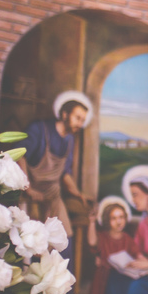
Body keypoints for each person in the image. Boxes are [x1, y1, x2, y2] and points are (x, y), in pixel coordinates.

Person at [20, 91, 93, 259]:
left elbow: (65, 173)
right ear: (64, 114)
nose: (80, 124)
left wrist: (78, 193)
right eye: (77, 118)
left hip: (52, 196)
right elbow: (20, 155)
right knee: (32, 245)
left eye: (83, 120)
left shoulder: (69, 140)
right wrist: (28, 188)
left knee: (64, 239)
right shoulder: (39, 129)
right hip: (30, 196)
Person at [87, 196, 137, 294]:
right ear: (107, 220)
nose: (118, 222)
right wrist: (92, 222)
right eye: (113, 218)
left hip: (121, 279)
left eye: (121, 217)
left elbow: (135, 256)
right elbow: (92, 242)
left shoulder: (127, 239)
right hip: (104, 278)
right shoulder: (103, 237)